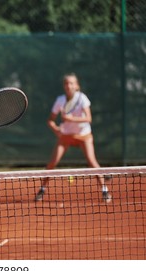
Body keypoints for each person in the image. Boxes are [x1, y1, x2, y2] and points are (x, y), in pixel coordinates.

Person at [35, 73, 112, 203]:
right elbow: (50, 120)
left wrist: (71, 119)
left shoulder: (82, 98)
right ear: (64, 86)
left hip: (84, 135)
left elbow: (89, 118)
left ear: (76, 86)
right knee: (52, 163)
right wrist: (56, 130)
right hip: (66, 136)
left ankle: (104, 190)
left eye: (71, 83)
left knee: (92, 162)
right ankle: (42, 189)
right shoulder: (60, 100)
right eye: (66, 83)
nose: (68, 86)